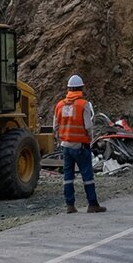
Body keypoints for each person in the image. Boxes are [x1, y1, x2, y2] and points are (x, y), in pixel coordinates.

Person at [54, 74, 105, 213]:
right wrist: (90, 138)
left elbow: (55, 126)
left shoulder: (59, 105)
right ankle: (92, 204)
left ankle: (70, 205)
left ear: (69, 88)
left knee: (68, 177)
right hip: (81, 146)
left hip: (65, 146)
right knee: (87, 175)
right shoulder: (84, 104)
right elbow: (88, 126)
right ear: (81, 88)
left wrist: (61, 138)